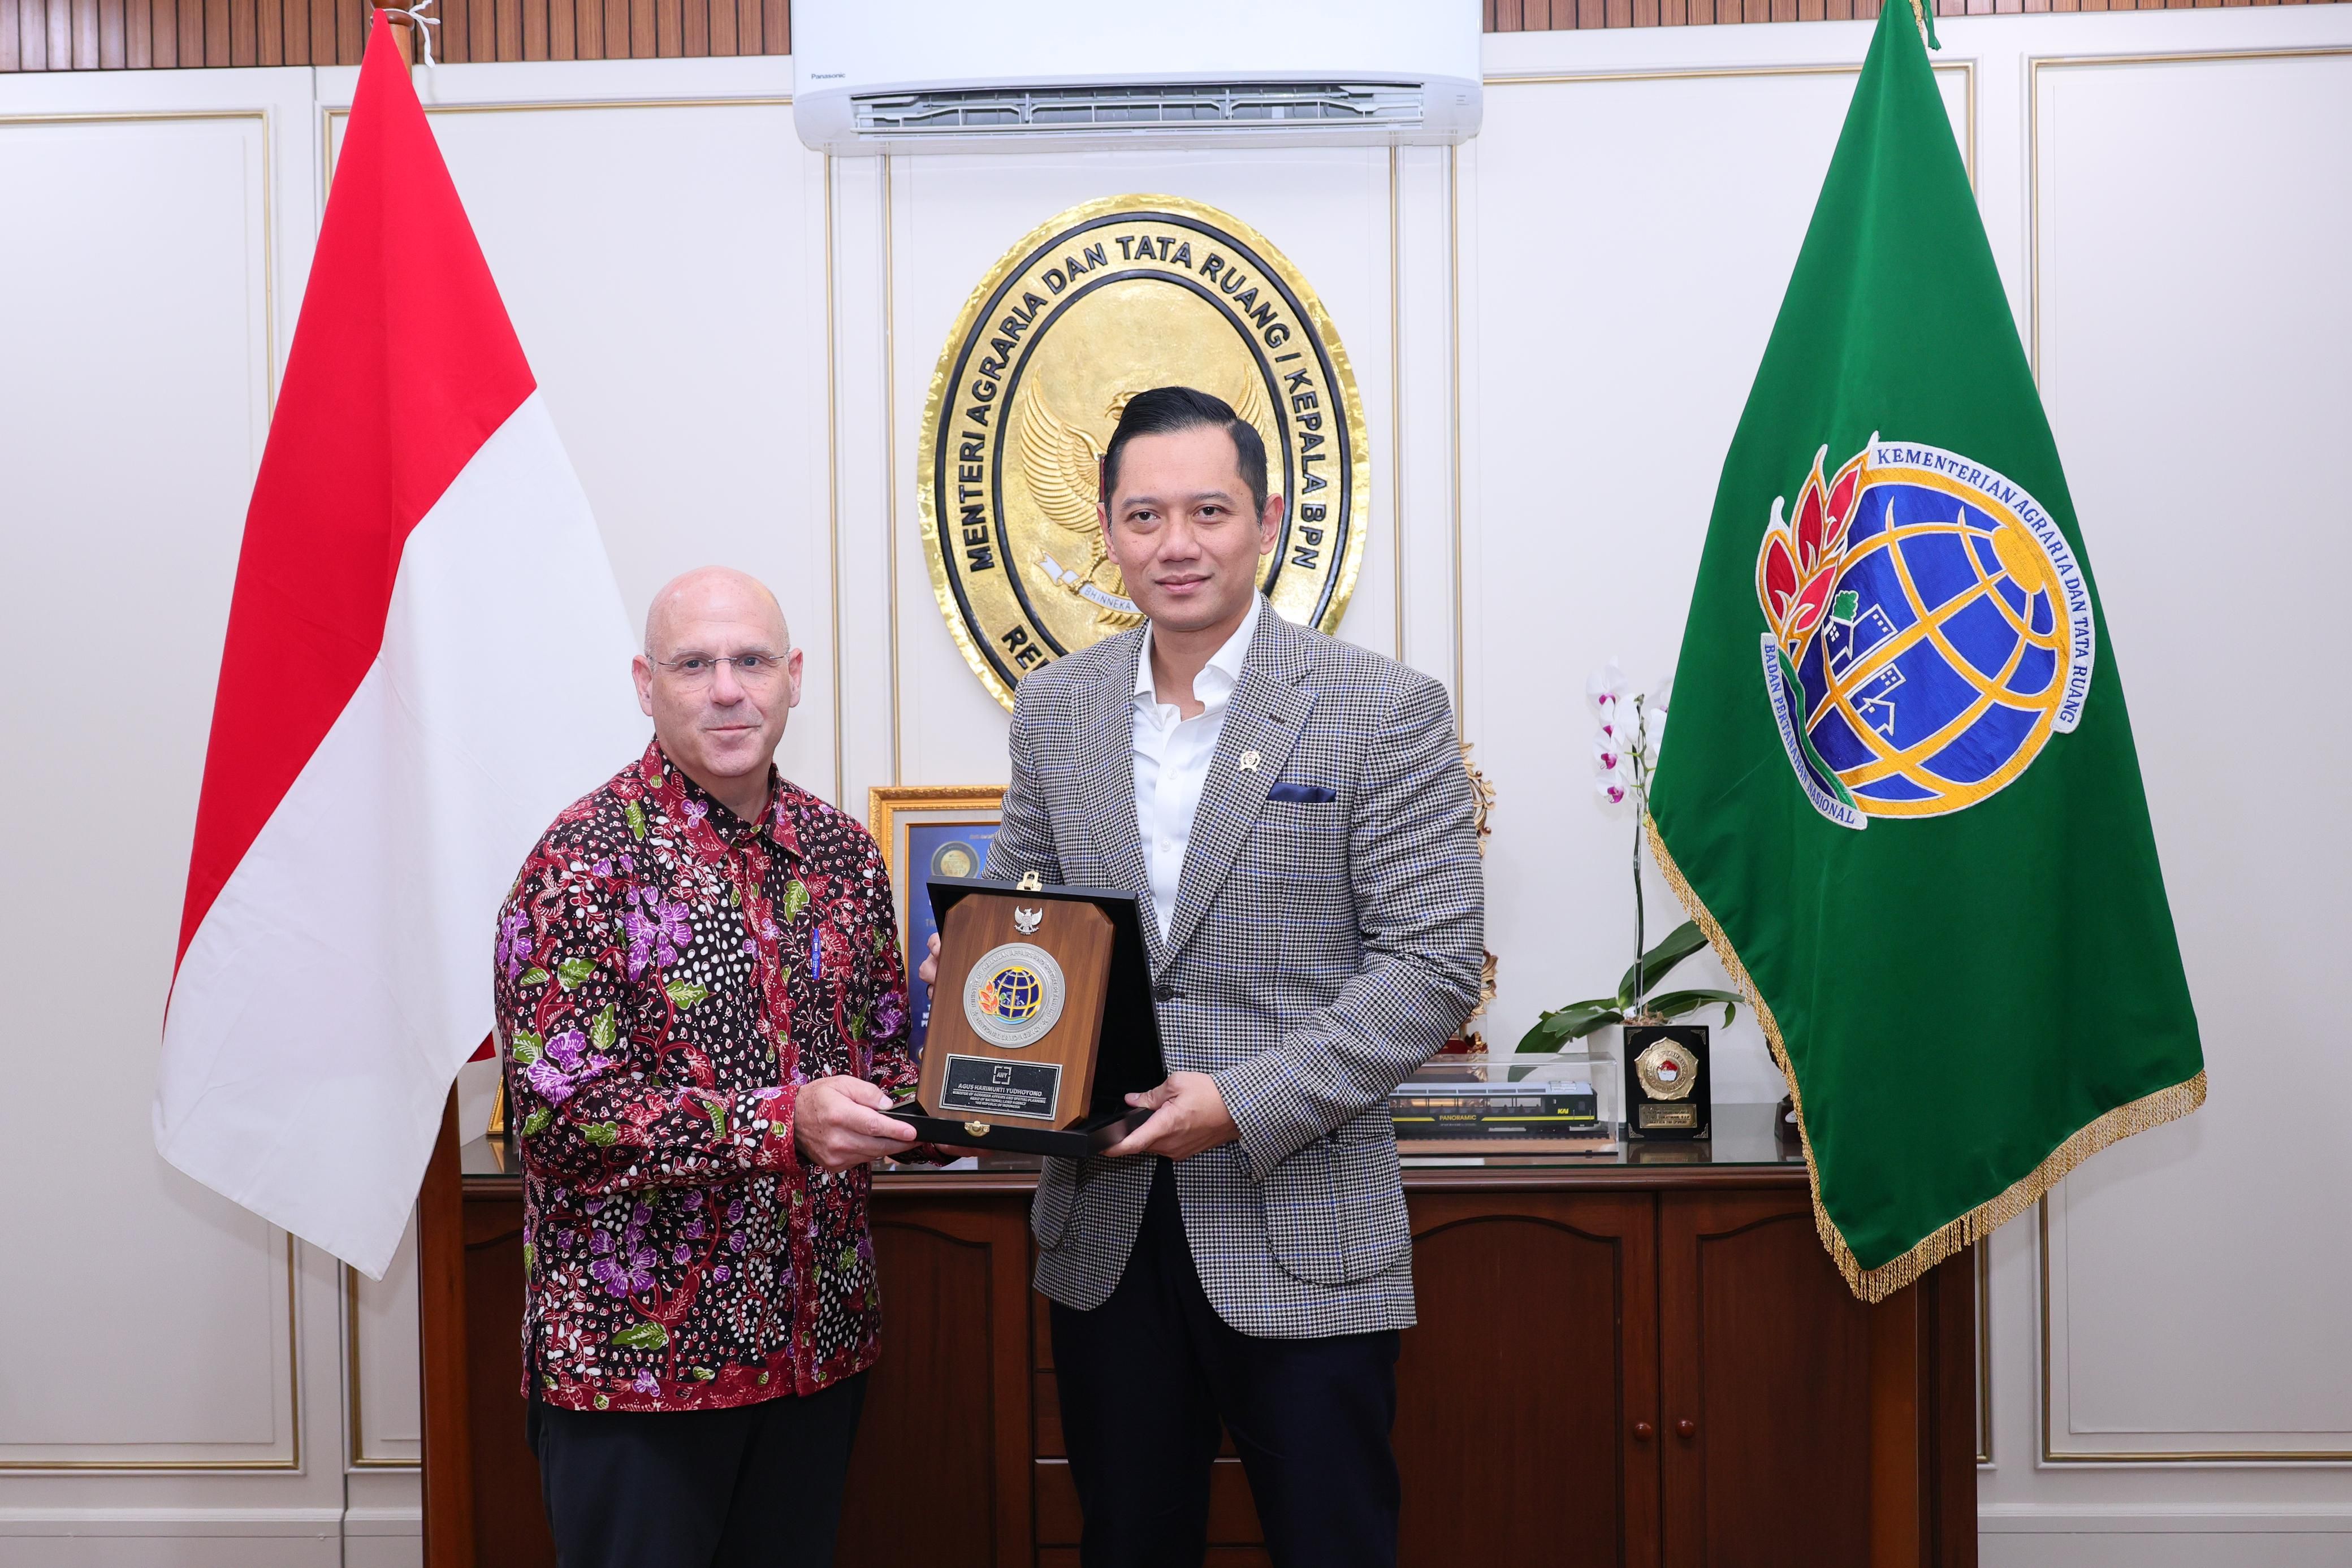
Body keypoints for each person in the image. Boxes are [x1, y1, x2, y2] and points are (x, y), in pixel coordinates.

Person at [924, 387, 1485, 1567]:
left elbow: (1430, 969)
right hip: (1104, 1228)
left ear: (1268, 519)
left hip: (1304, 1220)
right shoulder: (1057, 708)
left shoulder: (1383, 709)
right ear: (1108, 528)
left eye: (1207, 511)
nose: (1175, 544)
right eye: (1143, 516)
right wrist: (980, 967)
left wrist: (1240, 1101)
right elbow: (1034, 913)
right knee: (1127, 1542)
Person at [494, 566, 922, 1568]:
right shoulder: (579, 862)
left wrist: (979, 1025)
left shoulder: (844, 854)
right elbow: (560, 1119)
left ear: (794, 676)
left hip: (818, 1356)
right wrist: (785, 1123)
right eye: (696, 664)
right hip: (642, 1379)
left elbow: (885, 1065)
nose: (728, 687)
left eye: (751, 660)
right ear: (647, 685)